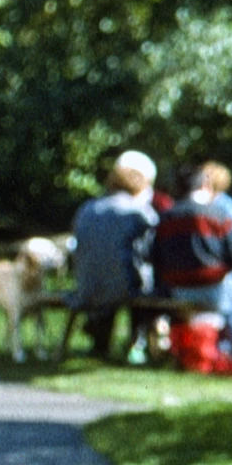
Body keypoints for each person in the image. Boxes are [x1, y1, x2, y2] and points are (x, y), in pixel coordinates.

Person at [149, 162, 232, 359]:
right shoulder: (220, 216)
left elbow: (155, 256)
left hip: (178, 290)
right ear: (205, 186)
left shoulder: (166, 217)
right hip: (213, 290)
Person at [68, 151, 159, 359]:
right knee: (144, 281)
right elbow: (151, 253)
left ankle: (99, 341)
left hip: (86, 287)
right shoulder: (141, 212)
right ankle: (138, 346)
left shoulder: (87, 208)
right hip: (122, 288)